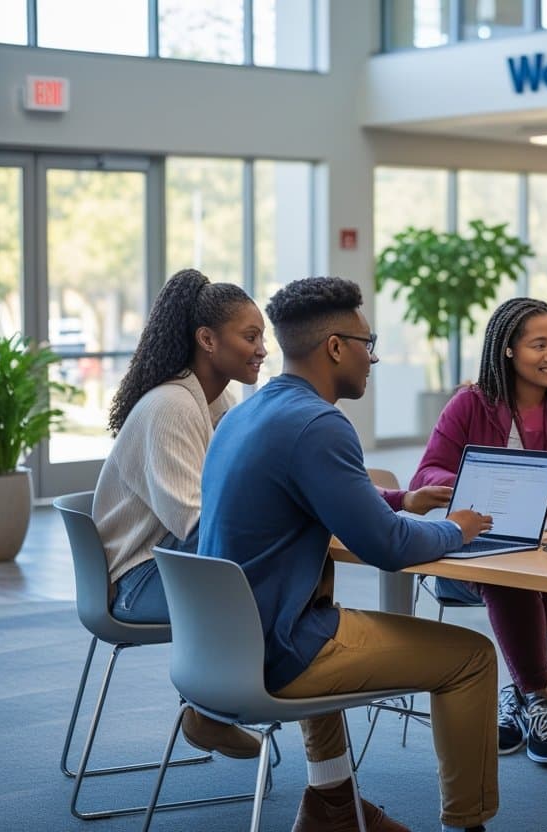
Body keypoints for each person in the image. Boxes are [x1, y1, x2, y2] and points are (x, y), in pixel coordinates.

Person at [198, 277, 499, 832]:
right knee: (473, 657)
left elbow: (314, 489)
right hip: (279, 651)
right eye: (368, 341)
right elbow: (388, 546)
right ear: (335, 347)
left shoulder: (246, 412)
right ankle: (466, 824)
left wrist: (399, 499)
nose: (375, 356)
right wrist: (458, 528)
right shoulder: (319, 422)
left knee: (324, 606)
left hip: (218, 648)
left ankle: (333, 803)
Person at [410, 297, 547, 766]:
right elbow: (426, 475)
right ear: (507, 350)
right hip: (476, 551)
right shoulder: (471, 403)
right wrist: (476, 484)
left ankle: (516, 693)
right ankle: (540, 699)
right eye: (539, 345)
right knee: (508, 577)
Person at [93, 267, 267, 760]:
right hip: (137, 580)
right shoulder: (170, 406)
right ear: (207, 339)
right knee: (274, 588)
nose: (262, 349)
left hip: (167, 562)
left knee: (281, 576)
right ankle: (210, 712)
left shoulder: (215, 402)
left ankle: (215, 710)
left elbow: (243, 486)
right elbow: (196, 524)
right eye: (250, 336)